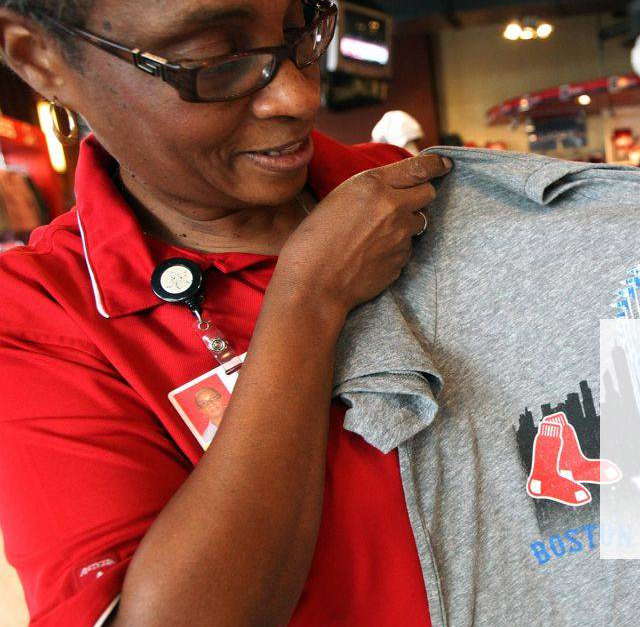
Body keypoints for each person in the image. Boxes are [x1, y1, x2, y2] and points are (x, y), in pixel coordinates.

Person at [0, 0, 451, 625]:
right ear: (39, 57)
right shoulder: (44, 317)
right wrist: (307, 298)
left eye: (304, 31)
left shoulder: (420, 196)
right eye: (214, 61)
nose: (297, 95)